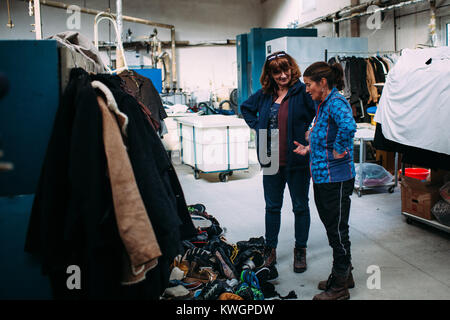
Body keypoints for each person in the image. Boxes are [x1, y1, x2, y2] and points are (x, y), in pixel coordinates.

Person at [241, 51, 316, 273]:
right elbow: (246, 108)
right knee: (272, 207)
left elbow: (318, 112)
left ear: (292, 68)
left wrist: (311, 131)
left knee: (300, 206)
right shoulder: (266, 93)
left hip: (296, 157)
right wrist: (259, 127)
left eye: (285, 70)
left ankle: (300, 250)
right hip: (271, 157)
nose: (282, 75)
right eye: (277, 71)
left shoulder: (302, 91)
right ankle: (270, 249)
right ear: (270, 74)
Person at [294, 61, 357, 300]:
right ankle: (344, 274)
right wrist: (310, 148)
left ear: (322, 83)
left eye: (309, 84)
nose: (307, 89)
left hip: (336, 179)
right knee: (335, 229)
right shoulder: (323, 104)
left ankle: (339, 288)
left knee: (337, 231)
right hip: (323, 177)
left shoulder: (336, 102)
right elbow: (327, 135)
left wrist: (341, 148)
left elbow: (348, 126)